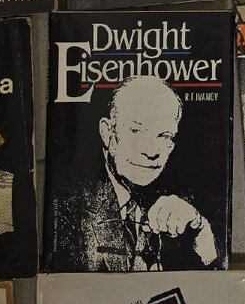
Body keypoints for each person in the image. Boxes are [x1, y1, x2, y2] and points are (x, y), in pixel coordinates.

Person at [55, 76, 218, 271]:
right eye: (136, 131)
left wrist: (200, 231)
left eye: (164, 135)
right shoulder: (67, 208)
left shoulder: (184, 201)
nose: (152, 151)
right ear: (108, 133)